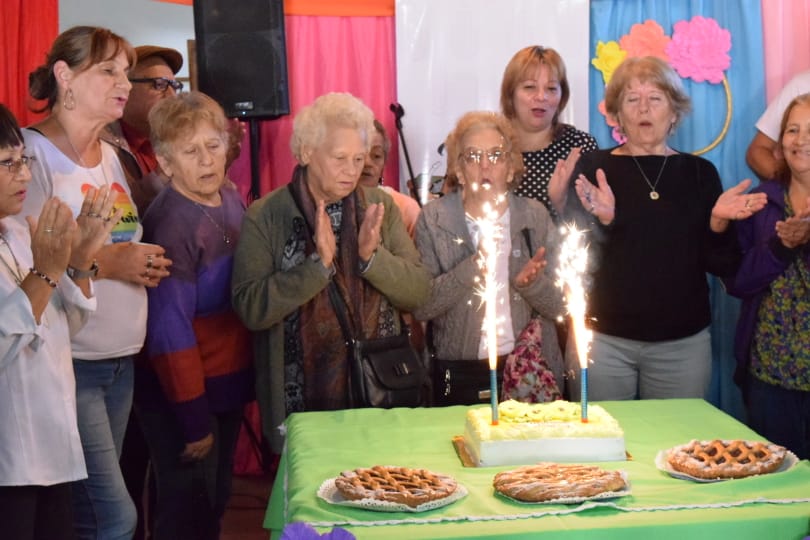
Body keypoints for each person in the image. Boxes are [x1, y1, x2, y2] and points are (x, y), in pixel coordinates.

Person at [23, 26, 173, 539]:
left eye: (125, 72)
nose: (124, 83)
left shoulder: (110, 154)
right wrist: (114, 264)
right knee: (112, 517)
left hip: (119, 361)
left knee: (92, 517)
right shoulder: (32, 154)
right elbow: (27, 261)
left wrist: (141, 260)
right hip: (72, 364)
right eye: (108, 70)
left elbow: (116, 236)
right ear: (65, 76)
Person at [231, 92, 431, 454]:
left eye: (359, 158)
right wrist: (317, 267)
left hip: (380, 393)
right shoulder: (266, 215)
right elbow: (250, 308)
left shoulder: (380, 205)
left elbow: (418, 291)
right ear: (307, 152)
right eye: (340, 158)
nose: (352, 170)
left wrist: (371, 259)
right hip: (303, 408)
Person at [560, 56, 767, 402]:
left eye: (655, 99)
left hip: (682, 346)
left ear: (674, 112)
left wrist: (717, 225)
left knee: (677, 448)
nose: (644, 108)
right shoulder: (595, 167)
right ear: (617, 115)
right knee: (605, 447)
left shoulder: (700, 173)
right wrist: (607, 221)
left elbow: (723, 265)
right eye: (632, 99)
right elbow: (571, 256)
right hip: (603, 341)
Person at [134, 91, 253, 539]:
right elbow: (169, 332)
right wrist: (194, 421)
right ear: (165, 163)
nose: (206, 159)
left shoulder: (227, 197)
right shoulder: (170, 223)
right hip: (181, 399)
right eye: (190, 151)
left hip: (221, 385)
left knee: (214, 504)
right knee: (187, 517)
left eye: (213, 144)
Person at [0, 104, 121, 540]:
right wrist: (47, 271)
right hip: (9, 455)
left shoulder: (16, 231)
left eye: (24, 161)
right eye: (8, 164)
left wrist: (82, 260)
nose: (24, 176)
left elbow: (60, 330)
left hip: (51, 440)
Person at [413, 111, 564, 405]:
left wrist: (531, 285)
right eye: (472, 156)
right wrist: (472, 268)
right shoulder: (434, 219)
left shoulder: (535, 216)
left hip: (528, 371)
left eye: (496, 155)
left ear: (510, 167)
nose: (485, 166)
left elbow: (562, 305)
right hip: (458, 374)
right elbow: (422, 307)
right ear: (458, 169)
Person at [725, 93, 810, 460]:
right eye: (792, 130)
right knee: (777, 485)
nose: (801, 140)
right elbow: (738, 282)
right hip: (771, 376)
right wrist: (781, 247)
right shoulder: (761, 201)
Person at [500, 45, 598, 216]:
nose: (541, 97)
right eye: (530, 87)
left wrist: (561, 202)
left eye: (551, 89)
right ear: (510, 94)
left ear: (562, 97)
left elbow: (594, 226)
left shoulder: (580, 146)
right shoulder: (491, 145)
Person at [358, 119, 421, 237]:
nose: (367, 163)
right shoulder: (328, 204)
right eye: (360, 155)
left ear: (384, 162)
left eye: (376, 155)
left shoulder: (406, 208)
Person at [746, 69, 810, 181]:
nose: (800, 141)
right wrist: (792, 188)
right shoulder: (802, 84)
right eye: (793, 130)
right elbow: (757, 152)